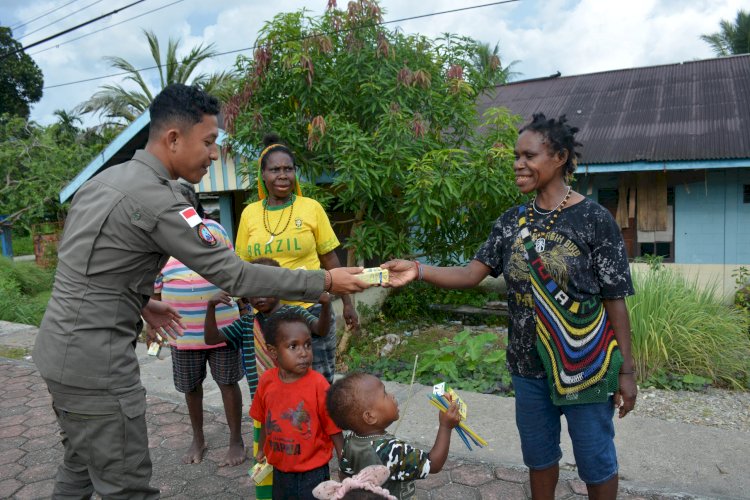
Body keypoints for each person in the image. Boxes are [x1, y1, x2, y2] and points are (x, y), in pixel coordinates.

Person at [32, 83, 369, 499]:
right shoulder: (158, 200)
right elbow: (236, 277)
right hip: (96, 364)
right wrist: (327, 281)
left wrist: (141, 301)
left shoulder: (105, 181)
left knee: (79, 466)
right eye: (209, 142)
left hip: (56, 350)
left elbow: (90, 266)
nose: (214, 153)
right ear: (173, 139)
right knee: (125, 486)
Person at [382, 113, 638, 500]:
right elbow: (471, 274)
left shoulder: (594, 220)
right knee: (539, 458)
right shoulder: (511, 221)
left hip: (584, 363)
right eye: (516, 156)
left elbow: (615, 299)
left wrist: (627, 372)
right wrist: (417, 270)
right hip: (527, 367)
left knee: (596, 459)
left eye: (529, 155)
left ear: (560, 158)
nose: (519, 164)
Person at [204, 257, 334, 500]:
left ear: (280, 286)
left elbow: (320, 329)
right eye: (254, 290)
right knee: (266, 463)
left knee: (302, 456)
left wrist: (326, 305)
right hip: (266, 410)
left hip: (298, 406)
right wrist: (210, 307)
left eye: (266, 288)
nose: (260, 296)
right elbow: (212, 339)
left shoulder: (294, 315)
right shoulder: (245, 323)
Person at [235, 133, 359, 383]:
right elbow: (241, 269)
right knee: (277, 384)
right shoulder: (250, 214)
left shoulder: (311, 208)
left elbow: (330, 260)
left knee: (320, 382)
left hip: (312, 310)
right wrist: (244, 310)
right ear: (263, 175)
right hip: (268, 316)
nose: (282, 175)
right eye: (275, 169)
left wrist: (347, 303)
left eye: (288, 169)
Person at [147, 182, 245, 466]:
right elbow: (153, 284)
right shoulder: (160, 239)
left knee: (227, 382)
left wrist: (241, 302)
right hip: (181, 329)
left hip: (222, 325)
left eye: (182, 202)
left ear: (194, 205)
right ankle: (198, 438)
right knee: (190, 386)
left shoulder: (213, 231)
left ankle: (236, 439)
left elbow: (232, 268)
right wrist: (151, 325)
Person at [249, 308, 343, 500]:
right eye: (294, 346)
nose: (303, 353)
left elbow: (334, 429)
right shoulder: (267, 381)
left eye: (307, 345)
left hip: (313, 472)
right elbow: (267, 418)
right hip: (280, 469)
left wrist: (345, 461)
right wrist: (261, 448)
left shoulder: (318, 384)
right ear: (273, 351)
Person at [326, 372, 460, 500]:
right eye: (384, 394)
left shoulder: (350, 440)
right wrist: (445, 426)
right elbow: (434, 464)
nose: (392, 396)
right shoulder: (392, 449)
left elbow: (344, 474)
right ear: (370, 417)